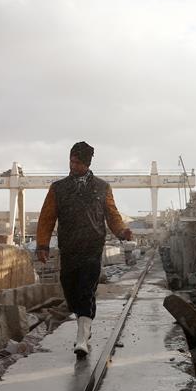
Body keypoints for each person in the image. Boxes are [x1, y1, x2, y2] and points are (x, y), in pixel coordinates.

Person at [35, 142, 133, 357]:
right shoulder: (58, 188)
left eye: (77, 162)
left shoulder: (102, 188)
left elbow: (112, 215)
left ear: (87, 164)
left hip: (92, 247)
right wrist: (42, 245)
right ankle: (83, 326)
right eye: (71, 161)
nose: (73, 165)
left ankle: (82, 337)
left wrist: (122, 231)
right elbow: (46, 218)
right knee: (70, 288)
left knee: (86, 290)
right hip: (69, 248)